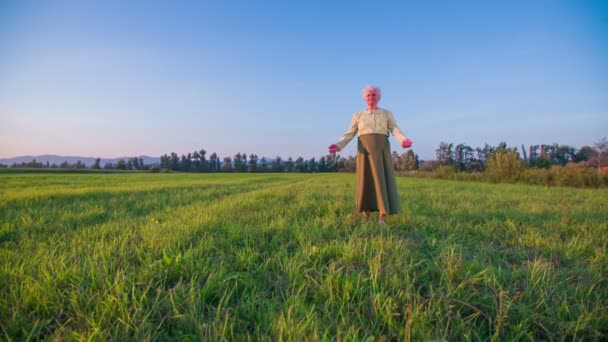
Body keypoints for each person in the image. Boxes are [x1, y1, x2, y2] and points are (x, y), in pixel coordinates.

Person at [328, 85, 412, 224]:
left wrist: (403, 140)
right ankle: (366, 216)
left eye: (374, 95)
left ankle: (381, 218)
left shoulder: (386, 113)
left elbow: (394, 129)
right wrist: (338, 145)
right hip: (364, 150)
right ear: (364, 98)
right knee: (366, 180)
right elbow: (350, 133)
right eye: (368, 95)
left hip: (381, 149)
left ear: (379, 97)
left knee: (381, 180)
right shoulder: (358, 115)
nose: (371, 97)